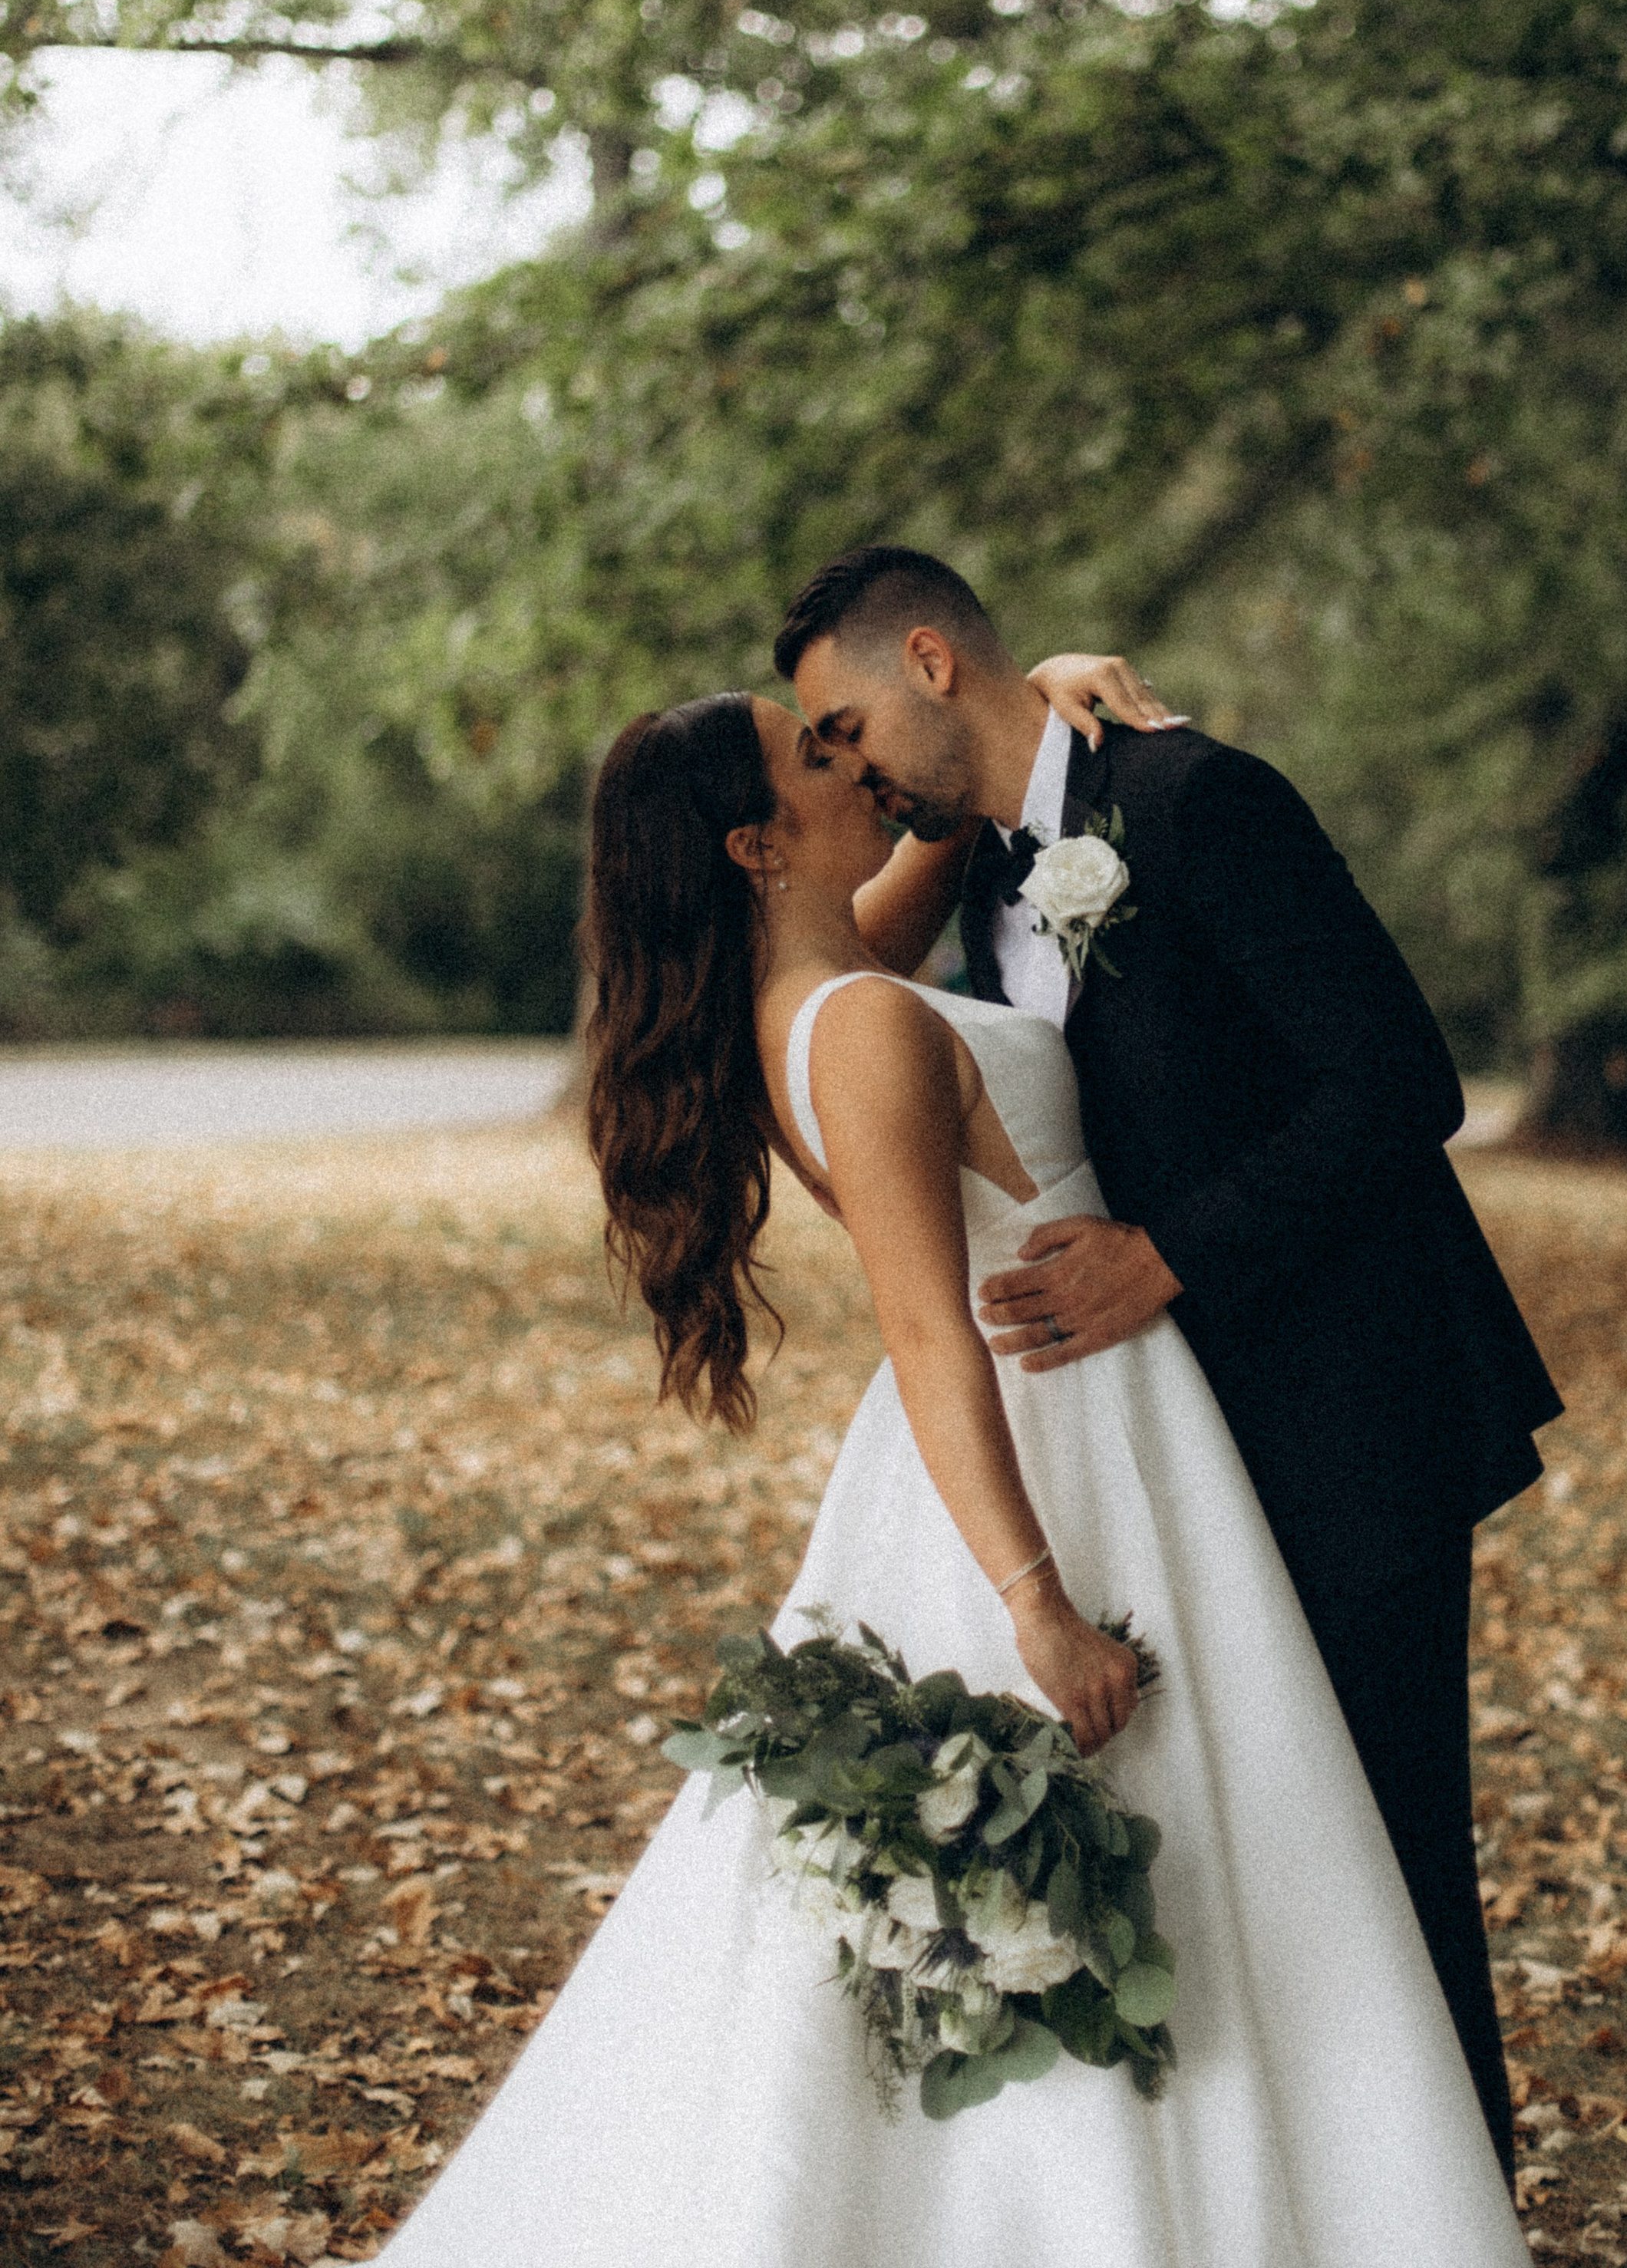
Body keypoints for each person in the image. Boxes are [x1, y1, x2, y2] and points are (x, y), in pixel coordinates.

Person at [380, 671, 1533, 2267]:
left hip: (1117, 1410)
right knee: (1169, 1844)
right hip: (1056, 1436)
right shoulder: (854, 1025)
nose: (852, 762)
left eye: (839, 723)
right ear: (752, 844)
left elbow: (969, 812)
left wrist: (1027, 699)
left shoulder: (824, 985)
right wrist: (1034, 1603)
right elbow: (930, 1336)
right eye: (814, 756)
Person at [774, 545, 1564, 2179]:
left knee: (1395, 1860)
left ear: (927, 661)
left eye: (842, 725)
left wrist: (1165, 1252)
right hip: (1188, 1444)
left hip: (1355, 1411)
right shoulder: (987, 873)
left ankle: (1461, 2205)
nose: (841, 766)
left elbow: (1396, 1082)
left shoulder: (1202, 802)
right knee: (1279, 1870)